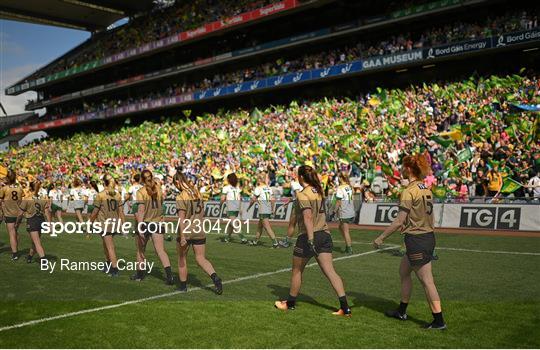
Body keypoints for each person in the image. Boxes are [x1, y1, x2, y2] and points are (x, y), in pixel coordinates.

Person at [373, 154, 446, 330]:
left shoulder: (409, 190)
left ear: (409, 169)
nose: (402, 169)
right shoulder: (425, 188)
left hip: (417, 239)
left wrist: (381, 237)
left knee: (427, 281)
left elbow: (399, 220)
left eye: (404, 167)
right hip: (426, 236)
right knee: (404, 271)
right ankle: (402, 310)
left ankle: (439, 321)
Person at [275, 165, 351, 316]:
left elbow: (308, 216)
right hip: (324, 234)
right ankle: (345, 307)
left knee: (297, 271)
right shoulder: (318, 190)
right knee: (330, 272)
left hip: (309, 236)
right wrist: (293, 200)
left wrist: (310, 239)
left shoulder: (303, 194)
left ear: (301, 177)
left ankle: (289, 303)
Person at [174, 172, 223, 294]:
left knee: (182, 258)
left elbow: (181, 218)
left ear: (177, 182)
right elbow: (203, 212)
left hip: (187, 229)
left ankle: (183, 286)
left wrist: (183, 236)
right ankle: (215, 277)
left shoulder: (181, 196)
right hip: (199, 229)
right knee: (201, 258)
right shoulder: (197, 192)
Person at [132, 169, 174, 285]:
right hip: (158, 222)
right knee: (161, 251)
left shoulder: (141, 191)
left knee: (140, 250)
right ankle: (169, 276)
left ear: (141, 179)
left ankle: (140, 275)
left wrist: (140, 226)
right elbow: (162, 208)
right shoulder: (159, 189)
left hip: (146, 223)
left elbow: (141, 210)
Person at [90, 174, 124, 277]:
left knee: (110, 247)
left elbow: (95, 211)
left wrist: (89, 223)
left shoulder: (100, 195)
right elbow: (121, 212)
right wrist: (123, 224)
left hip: (105, 224)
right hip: (114, 223)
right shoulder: (117, 194)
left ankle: (114, 269)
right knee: (106, 245)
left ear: (104, 183)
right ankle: (108, 264)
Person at [17, 180, 51, 264]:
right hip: (41, 220)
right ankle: (30, 256)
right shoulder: (43, 198)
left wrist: (17, 223)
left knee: (36, 242)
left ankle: (44, 261)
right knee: (35, 241)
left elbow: (20, 214)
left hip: (32, 220)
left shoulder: (27, 199)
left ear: (30, 188)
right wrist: (50, 224)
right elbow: (47, 213)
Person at [247, 173, 278, 248]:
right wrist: (272, 209)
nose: (257, 180)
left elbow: (253, 199)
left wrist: (249, 207)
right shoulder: (268, 188)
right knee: (259, 226)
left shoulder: (258, 188)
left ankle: (275, 243)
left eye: (258, 178)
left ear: (260, 179)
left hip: (263, 209)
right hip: (267, 208)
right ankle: (255, 241)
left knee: (267, 227)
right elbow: (273, 199)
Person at [0, 170, 23, 260]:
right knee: (15, 232)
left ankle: (15, 253)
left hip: (9, 213)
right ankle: (16, 249)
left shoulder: (4, 188)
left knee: (12, 233)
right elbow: (21, 201)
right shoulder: (20, 188)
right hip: (19, 213)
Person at [279, 169, 303, 248]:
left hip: (298, 204)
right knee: (302, 224)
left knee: (292, 224)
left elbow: (297, 195)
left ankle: (287, 242)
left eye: (293, 173)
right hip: (305, 203)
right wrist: (289, 201)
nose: (291, 174)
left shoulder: (294, 183)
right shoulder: (302, 183)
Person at [220, 173, 247, 243]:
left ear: (229, 180)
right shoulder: (237, 188)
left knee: (233, 223)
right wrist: (240, 208)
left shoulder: (226, 188)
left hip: (230, 206)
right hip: (237, 206)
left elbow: (223, 198)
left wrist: (220, 205)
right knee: (231, 223)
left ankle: (243, 238)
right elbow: (239, 198)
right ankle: (227, 238)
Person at [335, 172, 355, 254]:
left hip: (344, 211)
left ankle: (349, 248)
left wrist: (334, 210)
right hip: (350, 210)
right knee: (340, 227)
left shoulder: (340, 188)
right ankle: (348, 243)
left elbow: (338, 202)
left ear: (340, 178)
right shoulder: (349, 186)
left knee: (345, 231)